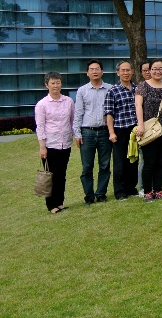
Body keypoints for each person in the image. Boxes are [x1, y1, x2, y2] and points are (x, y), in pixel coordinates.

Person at [135, 59, 162, 202]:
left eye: (160, 69)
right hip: (148, 130)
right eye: (154, 69)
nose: (157, 71)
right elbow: (138, 106)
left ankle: (158, 189)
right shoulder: (143, 86)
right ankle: (148, 191)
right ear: (149, 70)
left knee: (160, 161)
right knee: (148, 162)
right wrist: (140, 125)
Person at [73, 59, 112, 206]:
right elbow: (78, 113)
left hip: (104, 132)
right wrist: (77, 134)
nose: (95, 71)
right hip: (87, 132)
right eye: (92, 69)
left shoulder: (110, 89)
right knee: (87, 167)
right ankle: (89, 196)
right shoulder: (82, 91)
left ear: (102, 71)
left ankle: (101, 193)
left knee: (105, 165)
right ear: (87, 73)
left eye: (97, 69)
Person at [35, 72, 75, 214]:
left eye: (58, 82)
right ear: (47, 85)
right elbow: (40, 127)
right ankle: (51, 205)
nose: (55, 85)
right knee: (51, 175)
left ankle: (60, 202)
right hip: (50, 145)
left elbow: (72, 121)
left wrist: (75, 135)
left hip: (66, 143)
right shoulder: (42, 104)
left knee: (62, 175)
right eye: (52, 83)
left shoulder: (68, 101)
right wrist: (42, 147)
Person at [104, 61, 139, 200]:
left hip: (134, 130)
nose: (126, 73)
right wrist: (111, 132)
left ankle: (131, 188)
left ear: (132, 72)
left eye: (128, 70)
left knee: (133, 160)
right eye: (123, 70)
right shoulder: (113, 91)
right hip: (119, 130)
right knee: (120, 162)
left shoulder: (137, 89)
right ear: (118, 72)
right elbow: (109, 113)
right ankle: (120, 191)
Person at [136, 60, 151, 197]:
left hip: (158, 128)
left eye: (149, 69)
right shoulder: (140, 87)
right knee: (144, 159)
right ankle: (142, 187)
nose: (148, 72)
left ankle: (154, 186)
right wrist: (141, 125)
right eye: (145, 70)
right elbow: (138, 107)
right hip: (144, 128)